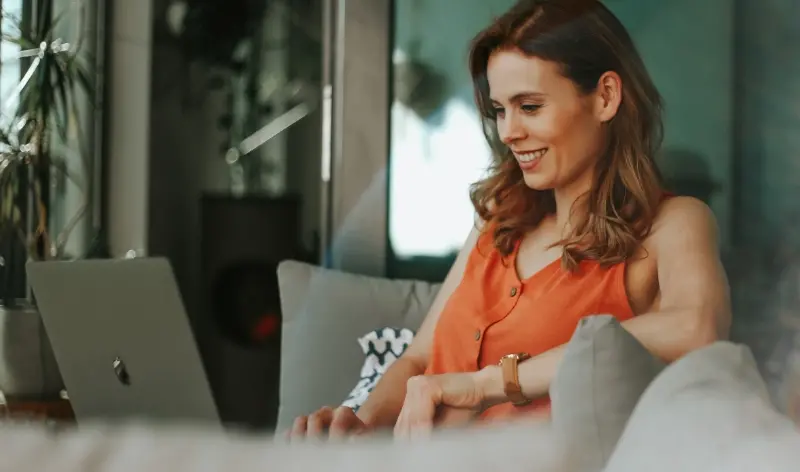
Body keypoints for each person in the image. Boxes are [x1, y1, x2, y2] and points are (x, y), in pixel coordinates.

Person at [289, 0, 732, 440]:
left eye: (531, 107)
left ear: (605, 97)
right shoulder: (497, 222)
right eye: (500, 110)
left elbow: (697, 327)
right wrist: (356, 429)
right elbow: (420, 360)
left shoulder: (673, 224)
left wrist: (488, 385)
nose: (508, 132)